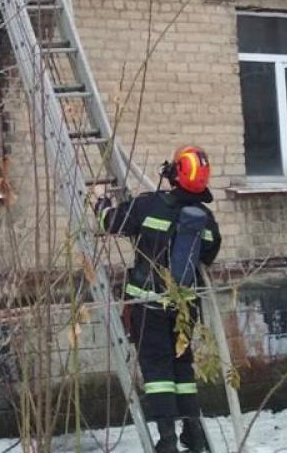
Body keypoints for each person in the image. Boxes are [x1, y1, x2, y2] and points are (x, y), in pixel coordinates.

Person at [95, 146, 222, 453]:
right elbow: (208, 254)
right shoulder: (205, 220)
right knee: (182, 367)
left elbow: (109, 223)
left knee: (157, 371)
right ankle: (193, 432)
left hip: (148, 305)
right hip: (184, 307)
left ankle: (166, 440)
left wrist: (99, 200)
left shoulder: (149, 206)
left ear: (175, 174)